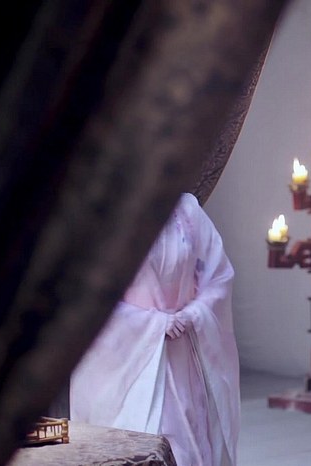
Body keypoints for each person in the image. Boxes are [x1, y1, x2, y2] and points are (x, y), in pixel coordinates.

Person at [71, 192, 240, 466]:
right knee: (148, 440)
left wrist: (195, 312)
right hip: (131, 361)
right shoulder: (103, 212)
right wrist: (154, 324)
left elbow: (218, 275)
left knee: (190, 445)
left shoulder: (187, 209)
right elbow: (88, 294)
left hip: (183, 353)